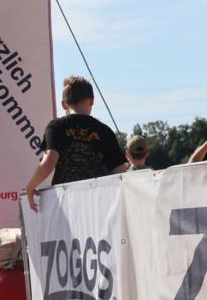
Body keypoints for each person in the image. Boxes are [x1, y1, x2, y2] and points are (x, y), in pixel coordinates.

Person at [25, 75, 129, 212]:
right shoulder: (105, 131)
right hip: (96, 204)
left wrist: (30, 186)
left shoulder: (57, 126)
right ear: (91, 101)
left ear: (63, 104)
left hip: (65, 205)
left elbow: (49, 161)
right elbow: (119, 170)